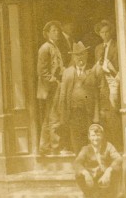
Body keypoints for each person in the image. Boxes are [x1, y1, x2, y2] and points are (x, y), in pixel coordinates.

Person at [58, 41, 99, 153]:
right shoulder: (68, 72)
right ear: (73, 57)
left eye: (82, 54)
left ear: (86, 55)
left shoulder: (93, 71)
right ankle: (79, 164)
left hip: (88, 113)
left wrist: (96, 115)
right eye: (77, 55)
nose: (80, 58)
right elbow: (63, 95)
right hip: (73, 113)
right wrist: (62, 114)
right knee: (75, 140)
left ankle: (89, 165)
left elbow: (97, 95)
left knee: (90, 140)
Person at [74, 123, 124, 198]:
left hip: (106, 177)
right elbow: (77, 162)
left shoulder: (108, 146)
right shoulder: (85, 149)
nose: (96, 138)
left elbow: (118, 158)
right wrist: (85, 173)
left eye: (98, 135)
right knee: (79, 175)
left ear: (102, 136)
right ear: (89, 137)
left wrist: (109, 171)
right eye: (93, 135)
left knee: (119, 169)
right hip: (92, 179)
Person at [36, 20, 65, 155]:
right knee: (53, 116)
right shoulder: (45, 48)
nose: (57, 32)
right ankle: (54, 146)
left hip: (54, 87)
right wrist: (53, 82)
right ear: (47, 33)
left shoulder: (54, 46)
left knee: (49, 117)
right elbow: (42, 71)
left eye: (57, 30)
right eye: (53, 30)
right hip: (50, 88)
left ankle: (44, 146)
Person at [92, 19, 122, 149]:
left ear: (111, 32)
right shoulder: (98, 48)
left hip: (113, 80)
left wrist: (117, 77)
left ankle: (118, 142)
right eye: (102, 32)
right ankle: (107, 143)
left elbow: (122, 65)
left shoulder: (117, 46)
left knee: (113, 109)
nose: (104, 35)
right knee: (103, 112)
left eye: (106, 32)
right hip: (101, 82)